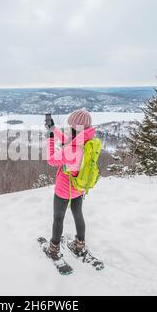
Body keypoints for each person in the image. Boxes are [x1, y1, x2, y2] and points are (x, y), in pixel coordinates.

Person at [45, 108, 95, 261]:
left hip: (64, 189)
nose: (69, 127)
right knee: (77, 214)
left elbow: (51, 160)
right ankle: (79, 245)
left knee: (58, 217)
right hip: (79, 187)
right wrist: (53, 128)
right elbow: (68, 140)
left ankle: (53, 249)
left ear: (75, 126)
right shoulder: (86, 141)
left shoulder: (73, 149)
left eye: (71, 125)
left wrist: (50, 139)